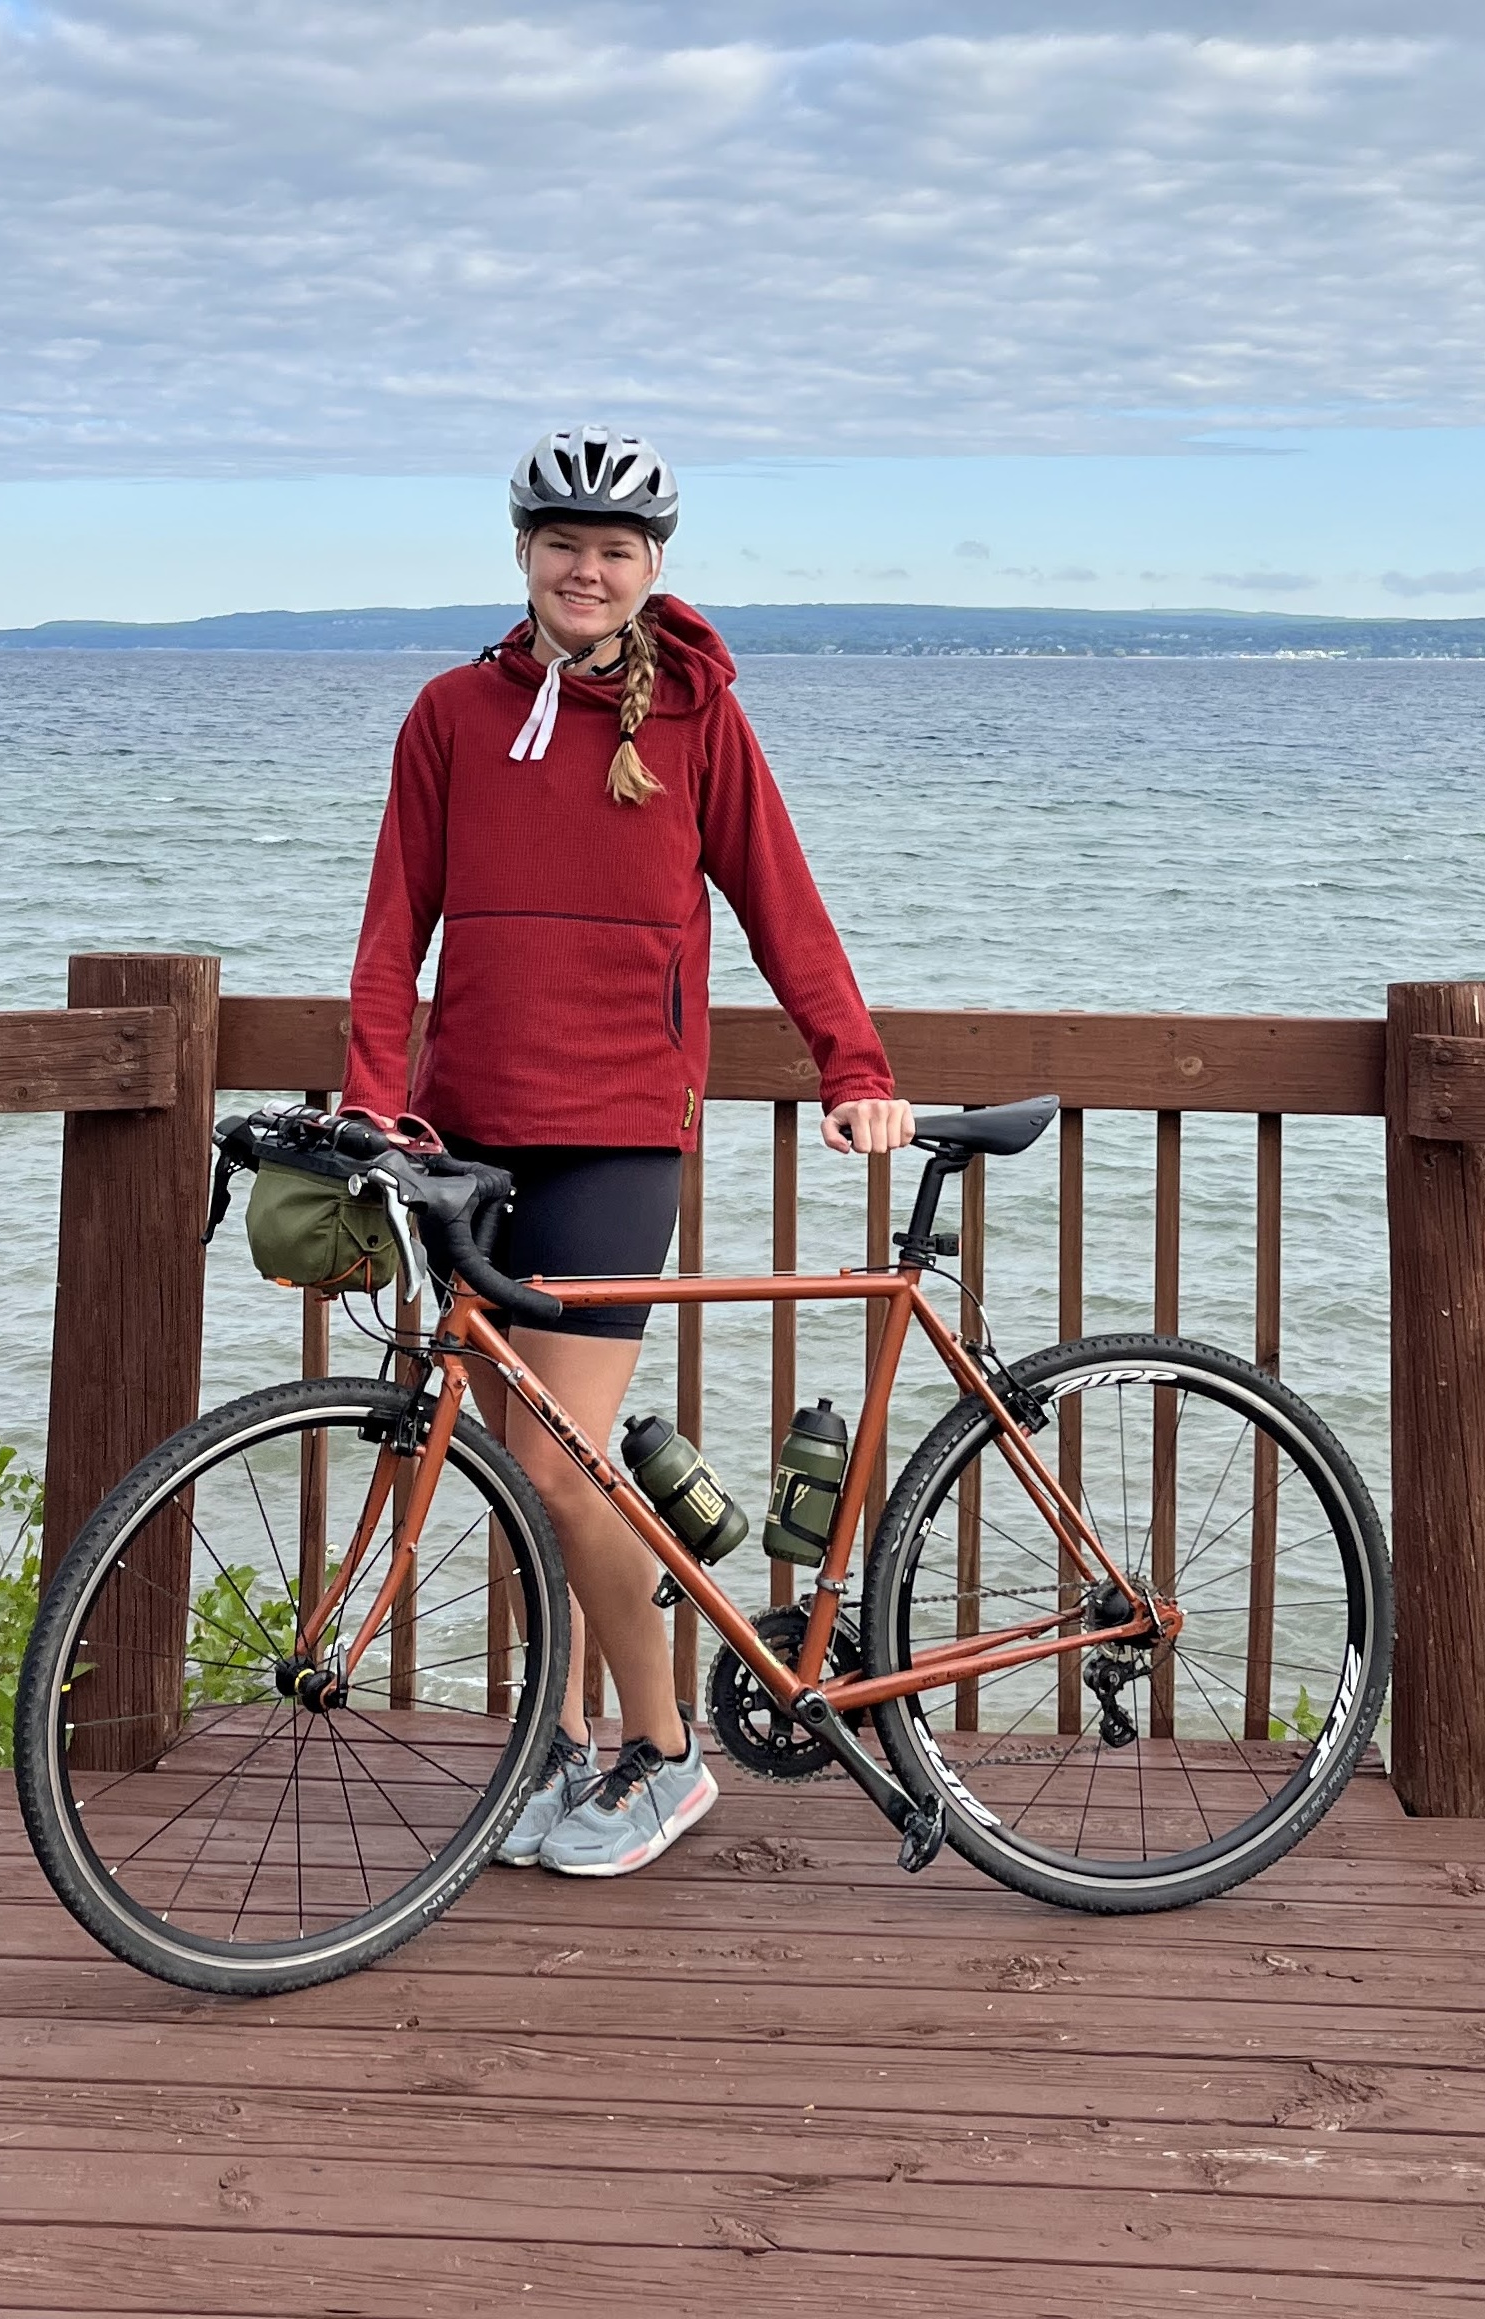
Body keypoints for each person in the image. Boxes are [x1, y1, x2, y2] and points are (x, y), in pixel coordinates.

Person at [342, 425, 913, 1877]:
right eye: (562, 544)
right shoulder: (447, 716)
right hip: (463, 1138)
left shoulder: (697, 722)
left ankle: (667, 1759)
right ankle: (575, 1750)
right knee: (533, 1467)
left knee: (553, 1455)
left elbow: (783, 903)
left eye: (616, 551)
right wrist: (369, 1101)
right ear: (522, 554)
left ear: (652, 569)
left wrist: (855, 1066)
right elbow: (393, 925)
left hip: (615, 1135)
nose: (585, 569)